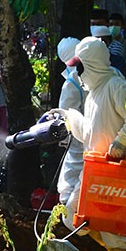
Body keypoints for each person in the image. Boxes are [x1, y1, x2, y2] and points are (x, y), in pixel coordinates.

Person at [48, 37, 126, 251]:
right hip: (97, 168)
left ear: (92, 64)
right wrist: (68, 117)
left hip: (119, 171)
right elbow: (89, 131)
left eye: (80, 66)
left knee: (116, 230)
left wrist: (122, 142)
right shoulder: (94, 94)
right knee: (72, 214)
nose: (77, 72)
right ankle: (111, 250)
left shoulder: (117, 87)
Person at [54, 37, 88, 221]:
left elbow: (65, 115)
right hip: (97, 136)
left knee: (71, 181)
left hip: (79, 140)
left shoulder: (72, 81)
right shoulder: (101, 72)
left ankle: (68, 219)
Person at [108, 13, 126, 77]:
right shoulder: (104, 43)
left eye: (117, 24)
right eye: (111, 24)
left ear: (122, 26)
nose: (113, 27)